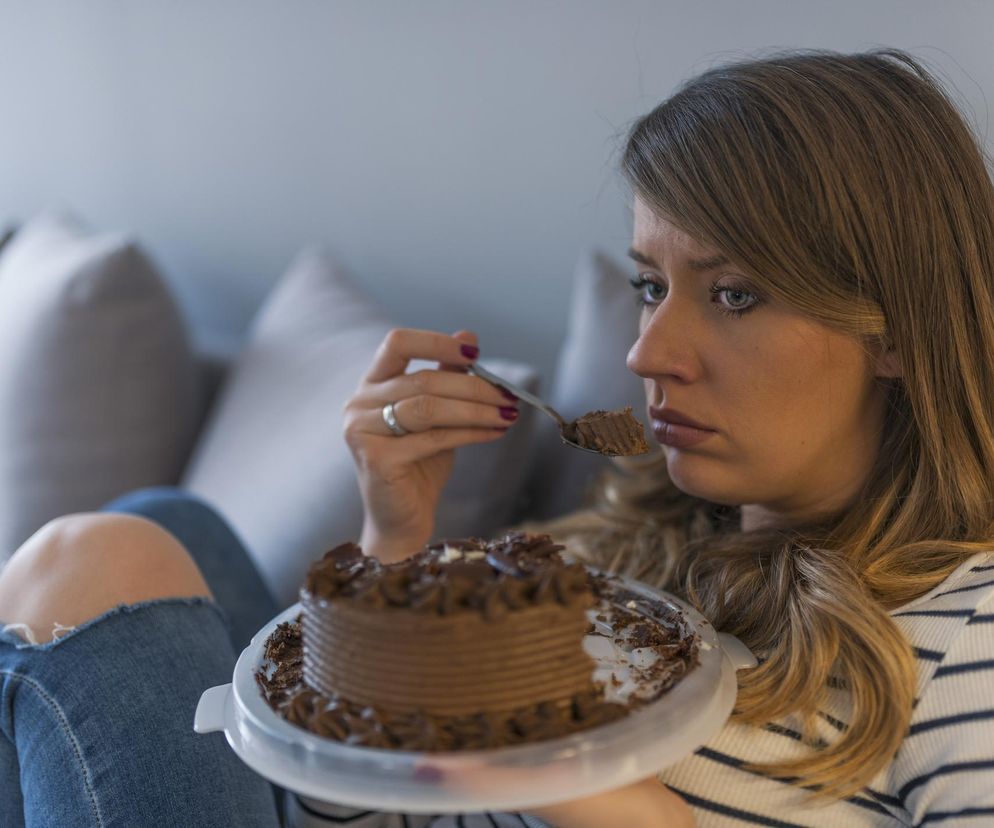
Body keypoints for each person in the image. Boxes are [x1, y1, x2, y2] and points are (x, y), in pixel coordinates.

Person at [1, 45, 993, 827]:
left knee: (96, 559)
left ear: (897, 333)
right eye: (650, 286)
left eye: (734, 295)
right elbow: (363, 816)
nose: (647, 352)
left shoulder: (965, 633)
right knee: (159, 526)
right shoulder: (604, 561)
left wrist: (625, 811)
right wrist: (396, 556)